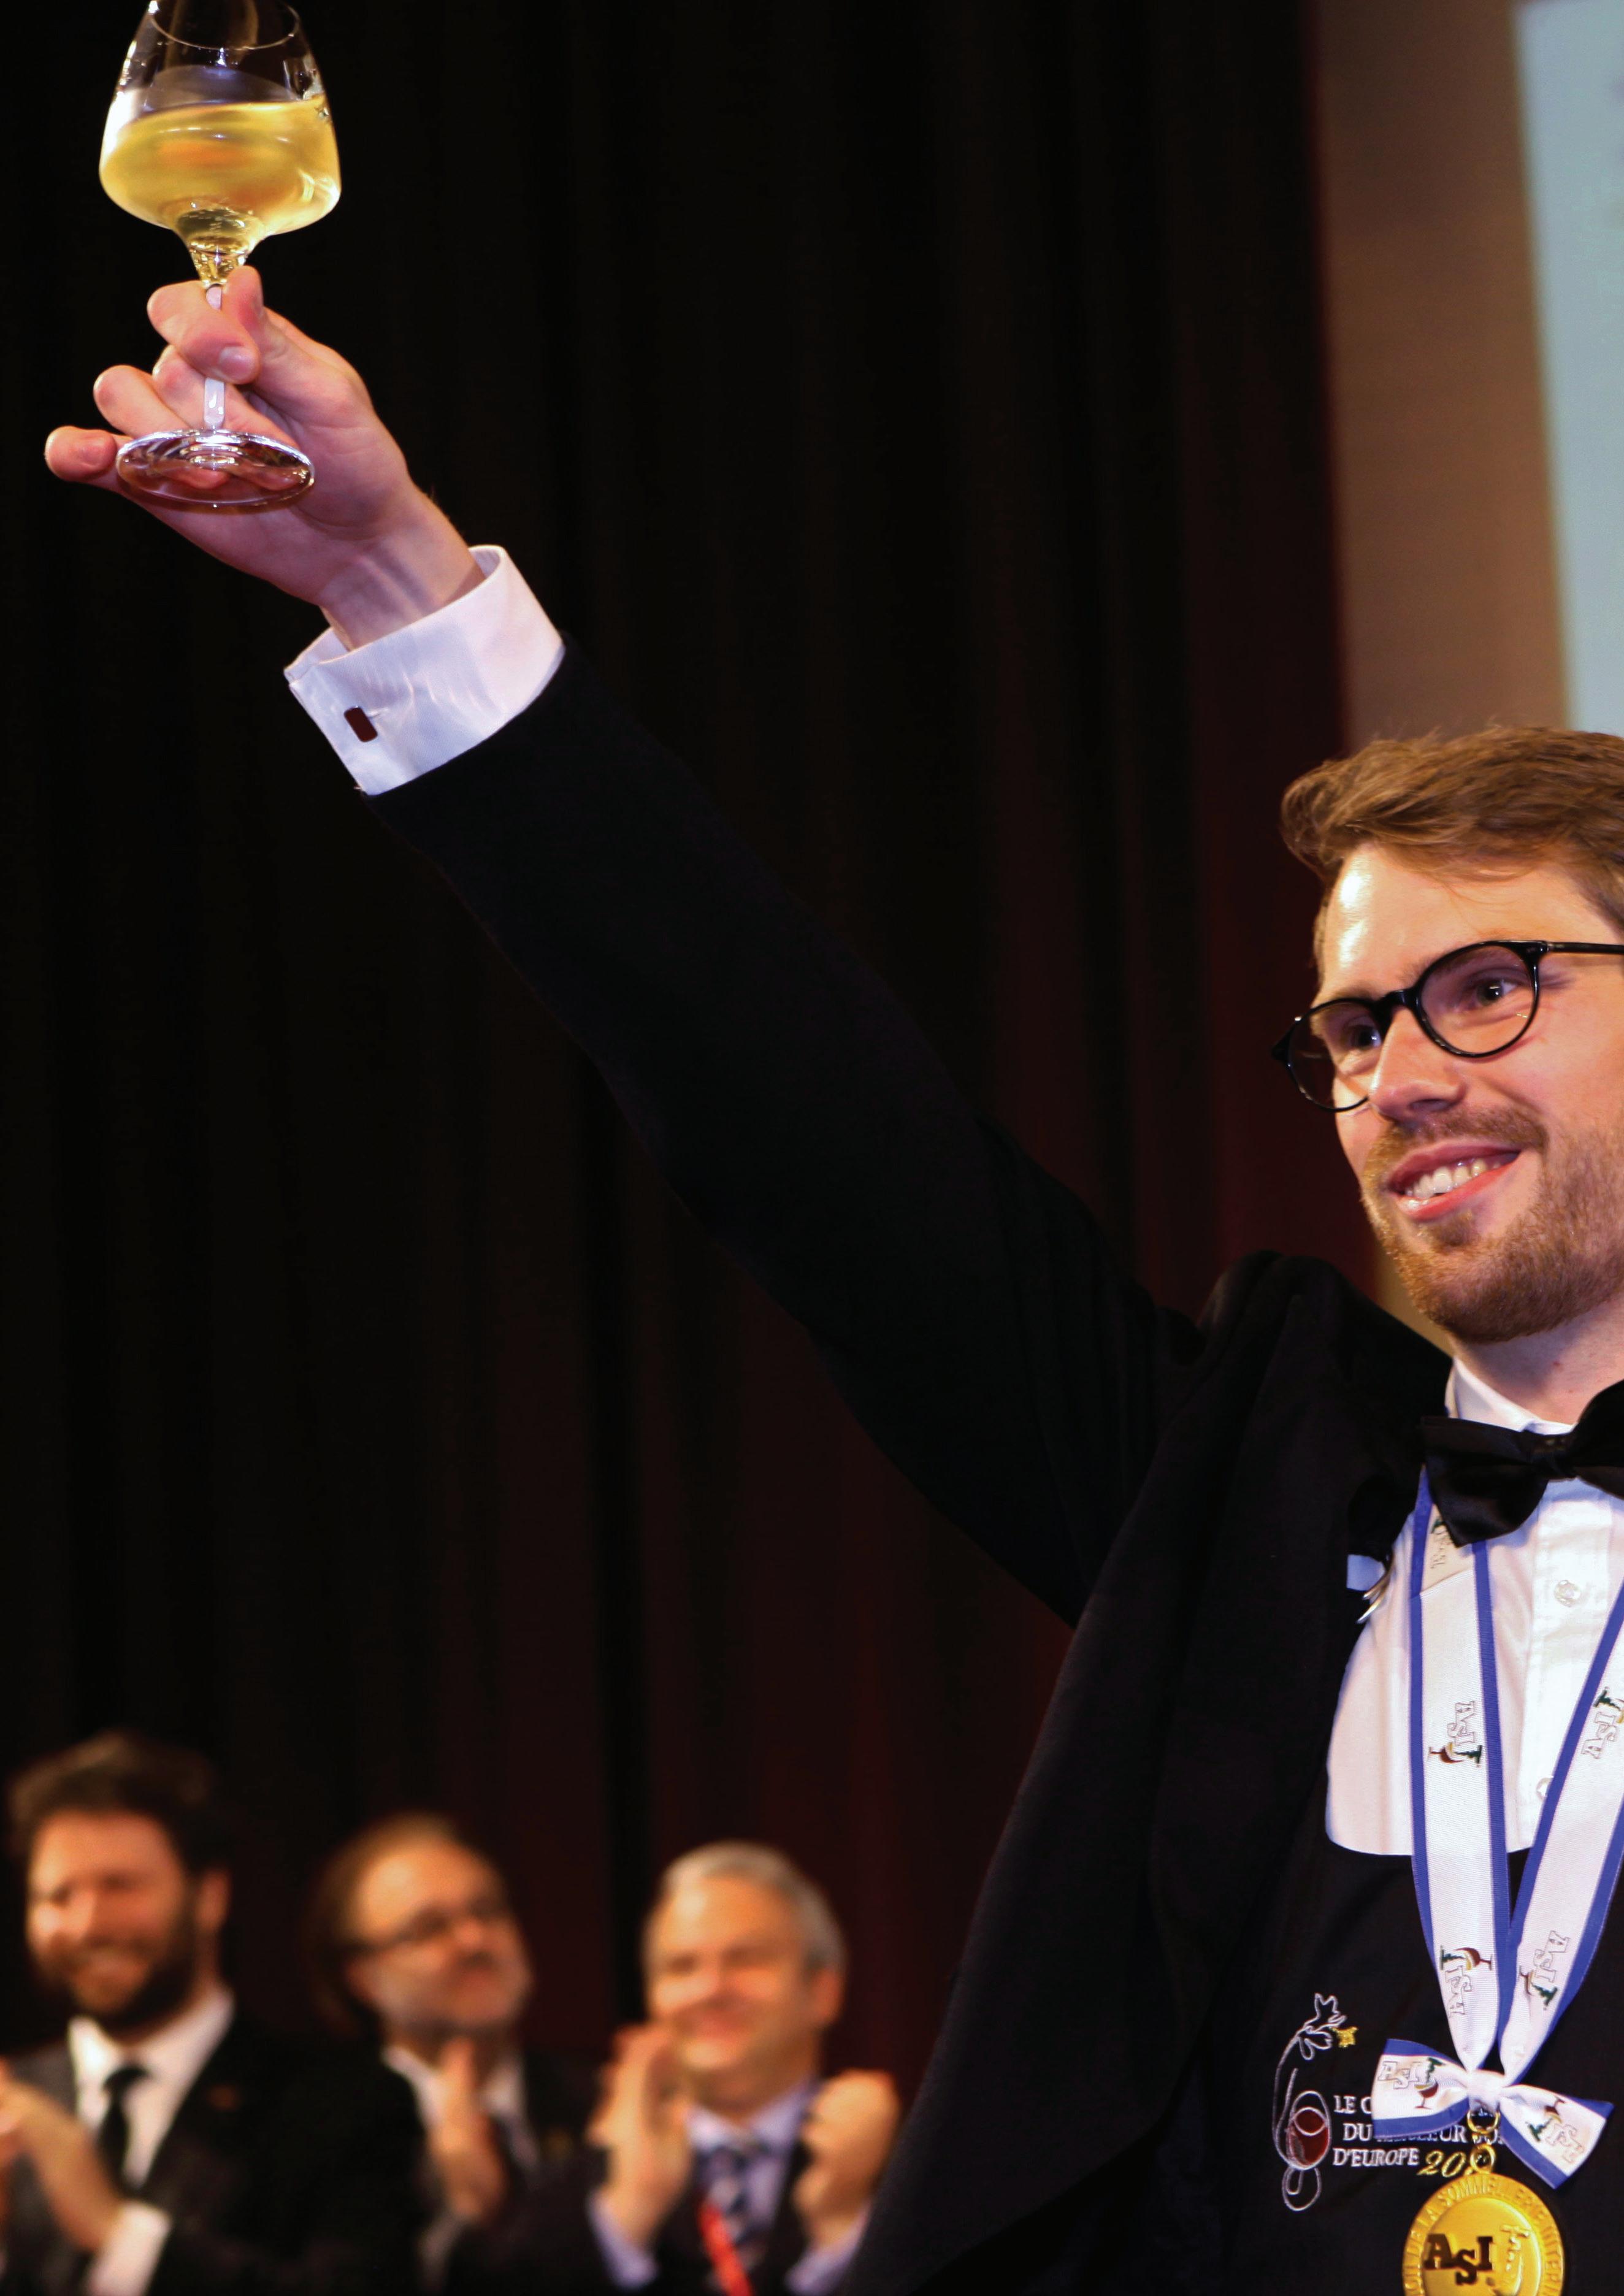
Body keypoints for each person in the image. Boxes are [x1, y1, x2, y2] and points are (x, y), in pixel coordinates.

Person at [44, 274, 1624, 2288]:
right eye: (1350, 1026)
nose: (1395, 1077)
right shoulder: (1249, 1488)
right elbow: (807, 1123)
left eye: (1483, 989)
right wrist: (391, 582)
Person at [0, 1731, 424, 2296]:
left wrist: (118, 2233)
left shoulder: (343, 2104)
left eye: (120, 1886)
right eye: (57, 1896)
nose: (87, 1925)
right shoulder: (14, 2098)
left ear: (209, 1898)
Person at [450, 1843, 898, 2296]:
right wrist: (625, 2222)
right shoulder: (584, 2182)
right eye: (681, 1967)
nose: (711, 1989)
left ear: (822, 1992)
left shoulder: (895, 2170)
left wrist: (843, 2235)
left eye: (745, 1958)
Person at [304, 1813, 594, 2279]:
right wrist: (463, 2223)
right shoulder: (320, 2136)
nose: (473, 1940)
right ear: (363, 1979)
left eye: (487, 1910)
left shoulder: (601, 2108)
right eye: (429, 1928)